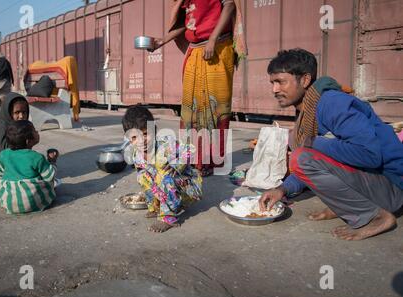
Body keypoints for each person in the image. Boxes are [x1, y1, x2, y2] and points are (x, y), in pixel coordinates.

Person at [259, 48, 403, 241]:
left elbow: (370, 155)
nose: (274, 90)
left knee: (301, 154)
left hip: (393, 187)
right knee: (300, 148)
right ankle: (347, 206)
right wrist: (282, 189)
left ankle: (376, 217)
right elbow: (322, 161)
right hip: (375, 184)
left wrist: (315, 143)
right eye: (272, 83)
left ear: (305, 80)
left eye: (280, 82)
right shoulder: (309, 110)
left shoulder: (333, 103)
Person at [150, 0, 247, 176]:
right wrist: (161, 41)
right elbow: (187, 24)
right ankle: (191, 159)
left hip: (217, 49)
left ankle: (212, 161)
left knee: (216, 109)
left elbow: (230, 5)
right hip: (195, 52)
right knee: (190, 110)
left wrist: (212, 38)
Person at [122, 106, 203, 233]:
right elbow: (147, 178)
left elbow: (190, 150)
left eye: (145, 134)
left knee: (164, 175)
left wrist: (176, 164)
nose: (141, 141)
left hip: (189, 189)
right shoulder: (137, 155)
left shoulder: (165, 145)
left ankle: (168, 218)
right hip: (170, 187)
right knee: (142, 176)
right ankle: (156, 207)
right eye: (134, 137)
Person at [0, 120, 58, 214]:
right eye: (34, 131)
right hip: (33, 201)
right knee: (52, 183)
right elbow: (50, 176)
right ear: (28, 141)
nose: (37, 132)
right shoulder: (37, 157)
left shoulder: (4, 155)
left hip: (9, 202)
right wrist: (52, 161)